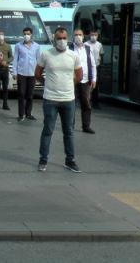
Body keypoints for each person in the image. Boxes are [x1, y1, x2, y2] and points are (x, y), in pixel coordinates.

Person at [35, 27, 83, 173]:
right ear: (54, 39)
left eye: (64, 38)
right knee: (48, 130)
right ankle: (43, 160)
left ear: (67, 39)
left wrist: (69, 85)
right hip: (50, 99)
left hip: (68, 99)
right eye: (59, 38)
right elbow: (38, 73)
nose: (61, 41)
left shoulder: (73, 56)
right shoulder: (46, 54)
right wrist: (47, 83)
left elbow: (79, 75)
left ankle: (70, 160)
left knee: (68, 131)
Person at [71, 29, 97, 134]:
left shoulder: (87, 49)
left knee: (86, 104)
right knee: (71, 104)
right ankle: (70, 126)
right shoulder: (69, 48)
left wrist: (94, 79)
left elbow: (93, 64)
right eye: (76, 35)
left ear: (83, 36)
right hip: (72, 81)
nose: (78, 36)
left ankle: (86, 126)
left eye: (80, 35)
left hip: (86, 81)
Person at [13, 27, 41, 122]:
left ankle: (28, 113)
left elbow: (39, 61)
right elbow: (15, 59)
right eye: (25, 34)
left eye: (28, 34)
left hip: (32, 74)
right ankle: (21, 114)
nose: (26, 35)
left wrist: (38, 74)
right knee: (21, 94)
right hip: (21, 73)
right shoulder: (18, 46)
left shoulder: (36, 46)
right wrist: (14, 72)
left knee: (30, 95)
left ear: (31, 35)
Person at [87, 30, 104, 109]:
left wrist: (101, 64)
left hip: (96, 66)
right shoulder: (86, 44)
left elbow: (101, 55)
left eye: (95, 35)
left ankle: (95, 103)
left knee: (95, 85)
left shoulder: (99, 45)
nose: (93, 36)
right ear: (89, 35)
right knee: (87, 84)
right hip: (88, 67)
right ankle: (86, 101)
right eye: (92, 35)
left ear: (97, 36)